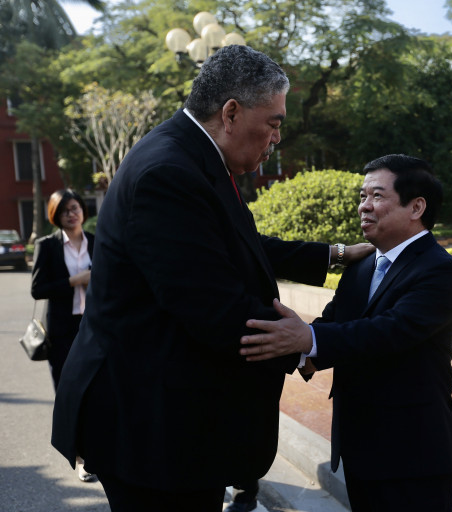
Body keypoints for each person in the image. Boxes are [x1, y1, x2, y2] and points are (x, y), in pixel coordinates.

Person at [50, 45, 371, 512]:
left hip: (164, 416)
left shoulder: (193, 155)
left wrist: (334, 254)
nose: (277, 138)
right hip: (148, 427)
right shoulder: (169, 172)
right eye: (274, 123)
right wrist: (310, 343)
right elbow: (214, 309)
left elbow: (238, 243)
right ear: (231, 113)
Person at [239, 154, 452, 511]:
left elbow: (389, 332)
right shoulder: (363, 264)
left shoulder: (441, 270)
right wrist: (291, 345)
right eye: (362, 196)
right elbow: (334, 323)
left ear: (416, 207)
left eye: (377, 196)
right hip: (360, 448)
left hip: (415, 452)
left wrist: (307, 339)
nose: (364, 206)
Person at [31, 188, 96, 483]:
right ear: (55, 216)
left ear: (83, 210)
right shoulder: (47, 246)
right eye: (65, 210)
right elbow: (38, 289)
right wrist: (75, 280)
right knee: (70, 394)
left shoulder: (97, 241)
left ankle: (97, 451)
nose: (71, 214)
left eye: (75, 208)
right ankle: (81, 457)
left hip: (94, 326)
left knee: (97, 391)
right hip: (62, 331)